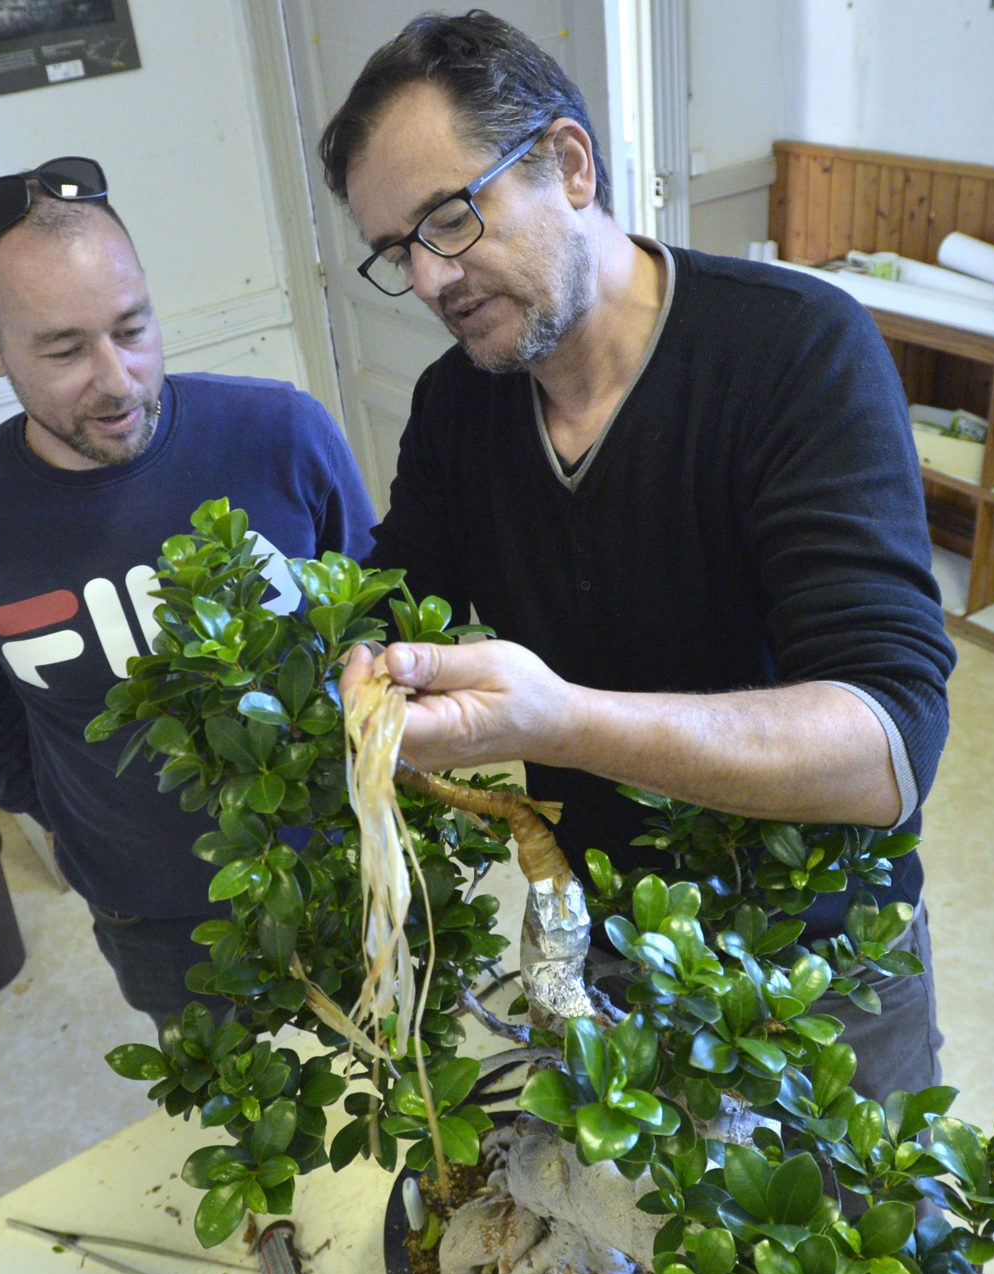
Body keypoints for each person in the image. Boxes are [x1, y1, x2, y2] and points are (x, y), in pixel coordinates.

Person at [323, 13, 954, 1104]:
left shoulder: (796, 351)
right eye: (394, 251)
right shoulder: (457, 404)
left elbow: (886, 746)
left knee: (841, 1209)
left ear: (569, 165)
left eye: (449, 219)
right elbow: (397, 588)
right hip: (595, 930)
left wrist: (559, 721)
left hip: (814, 967)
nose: (427, 279)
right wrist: (363, 664)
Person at [0, 156, 374, 1025]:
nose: (118, 380)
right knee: (228, 1095)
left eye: (133, 328)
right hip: (152, 908)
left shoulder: (281, 433)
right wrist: (49, 808)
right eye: (65, 349)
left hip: (343, 853)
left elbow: (369, 603)